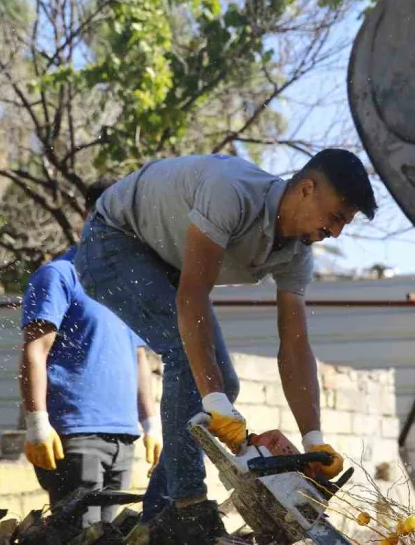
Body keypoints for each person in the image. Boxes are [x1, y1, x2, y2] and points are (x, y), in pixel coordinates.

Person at [73, 150, 377, 544]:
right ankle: (189, 507)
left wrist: (313, 439)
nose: (335, 231)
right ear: (306, 189)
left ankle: (157, 518)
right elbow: (193, 294)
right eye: (335, 216)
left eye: (343, 224)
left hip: (164, 259)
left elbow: (295, 343)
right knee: (192, 366)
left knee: (222, 385)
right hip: (112, 241)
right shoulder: (231, 191)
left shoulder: (297, 253)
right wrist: (212, 399)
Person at [18, 179, 163, 528]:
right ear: (90, 215)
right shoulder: (59, 275)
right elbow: (34, 351)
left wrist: (150, 423)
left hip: (123, 437)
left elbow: (138, 356)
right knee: (78, 536)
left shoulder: (122, 286)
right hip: (76, 435)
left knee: (109, 536)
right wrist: (37, 423)